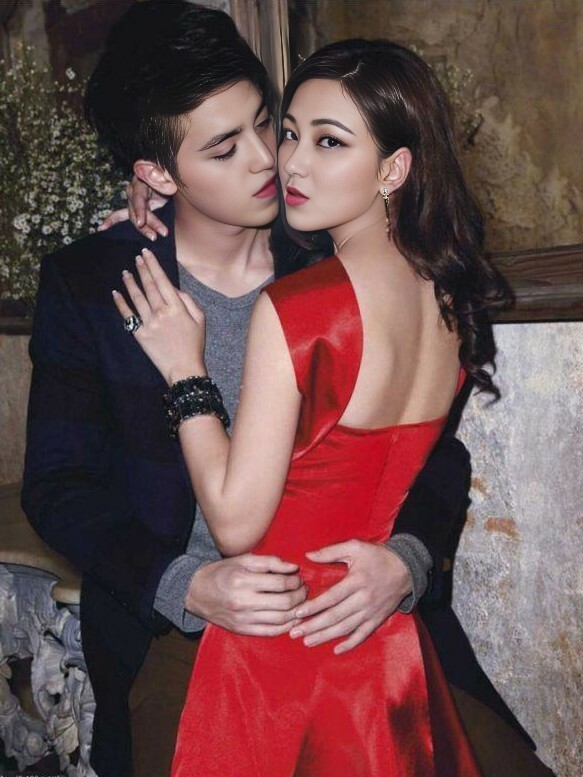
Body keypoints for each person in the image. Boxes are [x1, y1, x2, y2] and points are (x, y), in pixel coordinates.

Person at [22, 5, 473, 776]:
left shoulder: (335, 247)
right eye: (225, 147)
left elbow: (438, 451)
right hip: (179, 641)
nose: (271, 159)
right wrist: (185, 584)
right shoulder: (92, 285)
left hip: (358, 635)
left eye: (269, 122)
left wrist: (407, 560)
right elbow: (59, 485)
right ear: (156, 175)